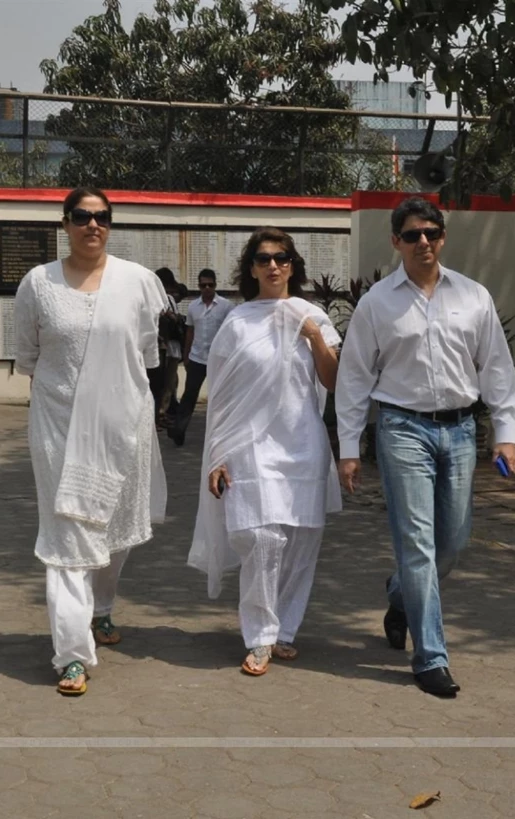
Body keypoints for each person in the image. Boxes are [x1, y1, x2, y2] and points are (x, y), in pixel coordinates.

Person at [335, 196, 515, 698]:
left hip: (460, 430)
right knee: (417, 543)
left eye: (432, 233)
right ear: (395, 241)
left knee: (453, 542)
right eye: (413, 234)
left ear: (443, 237)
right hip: (402, 430)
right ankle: (430, 656)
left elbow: (497, 369)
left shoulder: (473, 296)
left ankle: (399, 598)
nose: (424, 242)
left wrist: (506, 435)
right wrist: (348, 447)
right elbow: (353, 378)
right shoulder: (378, 302)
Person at [14, 187, 168, 696]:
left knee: (114, 529)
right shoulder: (37, 284)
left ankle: (101, 609)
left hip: (123, 427)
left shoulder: (139, 282)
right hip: (59, 428)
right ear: (65, 223)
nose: (92, 225)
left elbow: (146, 355)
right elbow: (29, 357)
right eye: (81, 216)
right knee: (68, 539)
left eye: (101, 217)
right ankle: (72, 655)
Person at [188, 227, 342, 676]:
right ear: (251, 268)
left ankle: (283, 632)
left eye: (281, 257)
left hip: (302, 443)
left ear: (293, 264)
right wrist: (216, 455)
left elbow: (334, 381)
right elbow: (221, 396)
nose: (272, 265)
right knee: (259, 538)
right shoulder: (236, 323)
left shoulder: (313, 315)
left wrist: (312, 335)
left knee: (300, 542)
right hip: (249, 446)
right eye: (263, 258)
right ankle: (258, 636)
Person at [167, 268, 233, 446]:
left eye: (210, 285)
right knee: (189, 396)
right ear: (199, 286)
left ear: (215, 285)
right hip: (197, 358)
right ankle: (179, 431)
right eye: (203, 285)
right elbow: (190, 331)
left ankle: (221, 436)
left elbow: (230, 332)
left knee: (219, 397)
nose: (207, 288)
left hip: (219, 358)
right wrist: (186, 355)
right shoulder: (193, 306)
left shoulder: (226, 306)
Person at [154, 267, 185, 424]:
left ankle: (159, 414)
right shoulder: (169, 299)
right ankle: (162, 413)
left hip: (159, 346)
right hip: (170, 346)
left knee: (161, 382)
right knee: (168, 382)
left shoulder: (153, 298)